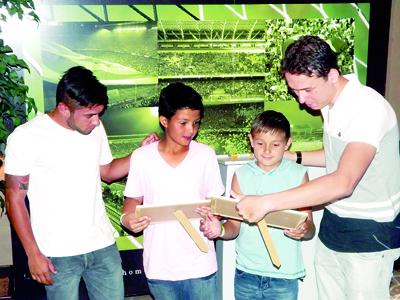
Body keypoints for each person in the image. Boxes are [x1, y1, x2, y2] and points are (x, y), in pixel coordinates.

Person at [236, 35, 400, 299]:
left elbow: (343, 181)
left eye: (307, 90)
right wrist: (293, 156)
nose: (301, 100)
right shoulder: (329, 104)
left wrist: (267, 202)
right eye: (295, 91)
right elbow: (338, 155)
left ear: (333, 75)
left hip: (368, 238)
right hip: (334, 229)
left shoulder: (368, 109)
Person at [4, 66, 133, 300]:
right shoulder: (26, 137)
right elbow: (14, 199)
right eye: (89, 115)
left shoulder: (95, 129)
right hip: (57, 253)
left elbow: (108, 172)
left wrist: (141, 155)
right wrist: (33, 254)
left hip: (102, 244)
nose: (96, 122)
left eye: (99, 114)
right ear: (64, 108)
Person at [121, 82, 224, 300]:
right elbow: (132, 201)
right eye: (184, 123)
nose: (191, 130)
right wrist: (127, 219)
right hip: (160, 266)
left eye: (196, 123)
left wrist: (214, 219)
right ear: (164, 121)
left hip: (200, 264)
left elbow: (215, 203)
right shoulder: (142, 157)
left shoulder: (205, 155)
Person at [199, 110, 315, 300]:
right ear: (251, 141)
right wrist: (218, 230)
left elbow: (310, 228)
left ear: (288, 143)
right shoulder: (241, 175)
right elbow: (233, 226)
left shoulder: (298, 174)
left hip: (284, 276)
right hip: (246, 272)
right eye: (260, 143)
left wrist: (303, 229)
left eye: (275, 144)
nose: (267, 150)